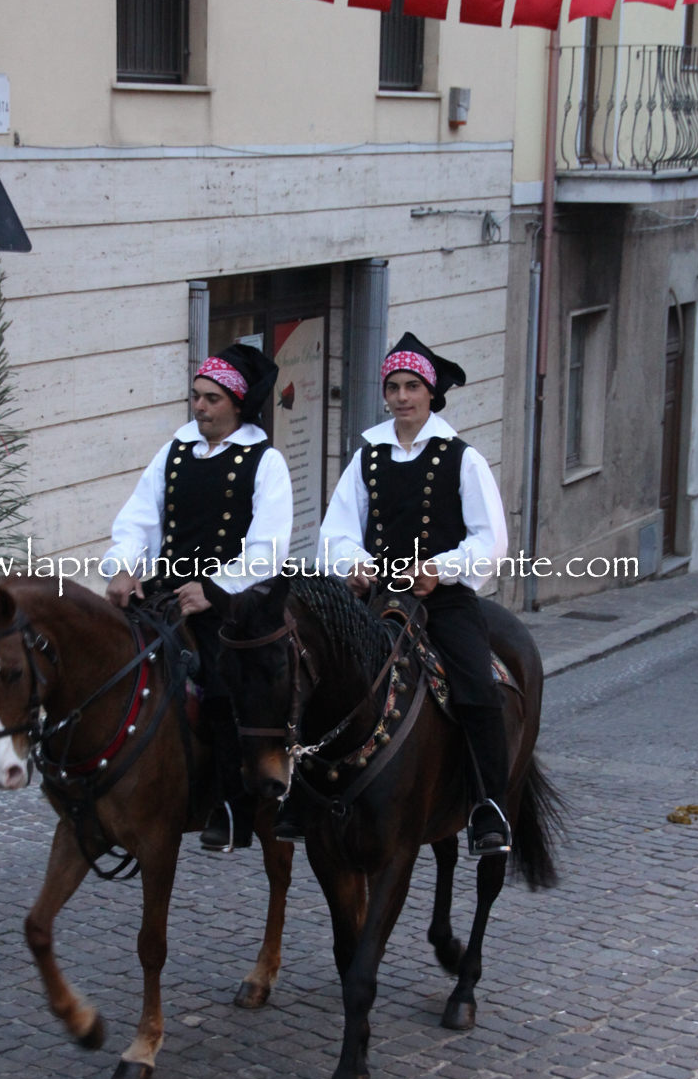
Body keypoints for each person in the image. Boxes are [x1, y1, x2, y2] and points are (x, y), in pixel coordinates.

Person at [313, 331, 511, 858]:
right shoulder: (367, 456)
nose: (401, 397)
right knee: (312, 673)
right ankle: (302, 795)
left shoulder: (462, 458)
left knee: (476, 686)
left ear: (430, 393)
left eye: (411, 387)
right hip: (375, 600)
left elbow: (490, 539)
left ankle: (489, 805)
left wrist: (440, 570)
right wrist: (353, 564)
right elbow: (335, 532)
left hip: (441, 601)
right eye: (393, 387)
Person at [102, 344, 293, 851]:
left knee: (225, 688)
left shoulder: (265, 461)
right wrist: (124, 566)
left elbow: (269, 547)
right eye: (196, 396)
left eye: (211, 398)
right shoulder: (174, 451)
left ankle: (233, 807)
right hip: (165, 592)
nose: (200, 406)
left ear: (237, 403)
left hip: (227, 602)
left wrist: (213, 589)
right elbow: (139, 518)